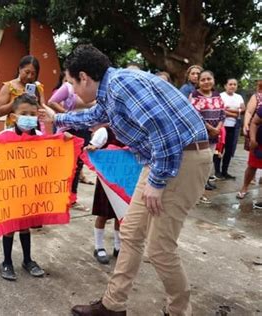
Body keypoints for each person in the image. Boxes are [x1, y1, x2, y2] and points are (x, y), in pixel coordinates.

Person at [40, 44, 211, 316]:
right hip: (160, 160)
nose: (71, 90)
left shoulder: (123, 85)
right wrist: (57, 116)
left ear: (84, 77)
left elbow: (164, 131)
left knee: (160, 248)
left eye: (71, 83)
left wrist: (156, 183)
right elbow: (96, 116)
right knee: (131, 231)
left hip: (181, 160)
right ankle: (113, 305)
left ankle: (179, 310)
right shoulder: (112, 89)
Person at [0, 94, 47, 281]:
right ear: (13, 116)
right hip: (10, 190)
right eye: (23, 113)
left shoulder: (43, 138)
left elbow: (52, 157)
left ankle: (27, 260)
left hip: (30, 191)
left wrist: (64, 140)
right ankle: (7, 262)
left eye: (32, 113)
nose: (28, 116)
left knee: (25, 227)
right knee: (9, 227)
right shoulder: (3, 137)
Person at [48, 75, 93, 210]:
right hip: (68, 130)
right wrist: (67, 115)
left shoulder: (92, 88)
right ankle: (56, 197)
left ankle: (72, 199)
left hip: (85, 129)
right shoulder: (68, 87)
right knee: (63, 165)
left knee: (78, 166)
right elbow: (52, 102)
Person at [85, 127, 123, 264]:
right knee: (103, 215)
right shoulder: (105, 131)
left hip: (124, 181)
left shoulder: (132, 131)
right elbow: (92, 148)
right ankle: (98, 247)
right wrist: (92, 149)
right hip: (107, 181)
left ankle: (118, 246)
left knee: (121, 215)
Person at [189, 70, 226, 204]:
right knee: (197, 165)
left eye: (208, 79)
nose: (206, 82)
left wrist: (218, 129)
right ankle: (193, 194)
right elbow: (194, 115)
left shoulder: (217, 96)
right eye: (203, 80)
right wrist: (210, 128)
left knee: (207, 165)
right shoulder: (194, 95)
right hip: (200, 137)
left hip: (214, 136)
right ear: (198, 82)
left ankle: (201, 193)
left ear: (213, 80)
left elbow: (222, 114)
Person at [0, 55, 46, 129]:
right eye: (27, 72)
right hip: (13, 128)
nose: (29, 76)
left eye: (33, 74)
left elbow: (43, 112)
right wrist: (16, 101)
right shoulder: (8, 86)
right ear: (20, 69)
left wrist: (35, 102)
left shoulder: (38, 87)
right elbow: (0, 112)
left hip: (32, 128)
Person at [237, 78, 262, 200]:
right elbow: (249, 113)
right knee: (252, 165)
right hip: (258, 137)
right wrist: (246, 126)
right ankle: (244, 187)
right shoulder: (257, 97)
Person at [215, 78, 245, 179]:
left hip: (233, 127)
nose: (232, 86)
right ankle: (217, 171)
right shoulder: (221, 96)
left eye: (235, 84)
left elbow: (243, 109)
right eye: (230, 84)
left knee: (229, 150)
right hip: (222, 127)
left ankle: (225, 171)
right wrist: (236, 112)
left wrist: (229, 111)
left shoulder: (239, 97)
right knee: (219, 149)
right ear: (225, 86)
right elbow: (221, 110)